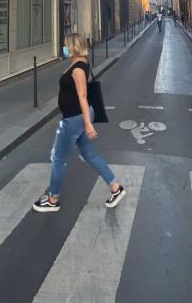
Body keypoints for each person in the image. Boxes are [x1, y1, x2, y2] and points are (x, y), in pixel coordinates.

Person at [33, 33, 125, 213]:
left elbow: (82, 96)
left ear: (74, 46)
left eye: (66, 44)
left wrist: (88, 124)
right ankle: (116, 187)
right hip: (78, 117)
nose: (64, 47)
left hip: (74, 119)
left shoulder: (78, 68)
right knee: (89, 154)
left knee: (58, 159)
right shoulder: (79, 63)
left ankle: (53, 199)